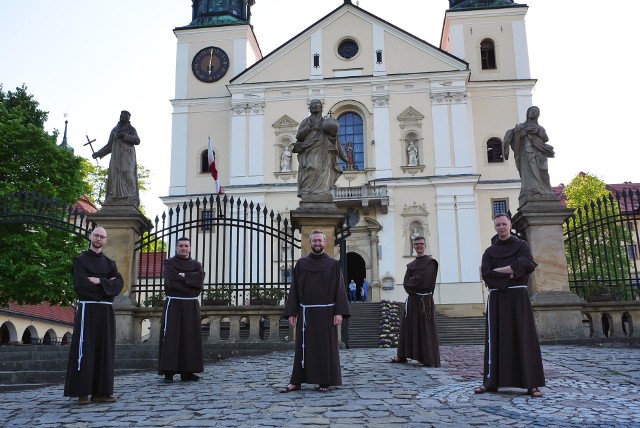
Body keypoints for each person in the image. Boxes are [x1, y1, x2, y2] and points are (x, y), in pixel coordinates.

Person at [474, 213, 545, 398]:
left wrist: (502, 271)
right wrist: (513, 271)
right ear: (495, 227)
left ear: (510, 224)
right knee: (496, 340)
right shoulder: (489, 252)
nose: (501, 227)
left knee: (524, 337)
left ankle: (531, 384)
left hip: (518, 298)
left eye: (504, 224)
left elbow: (526, 264)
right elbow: (487, 275)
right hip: (498, 299)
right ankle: (491, 382)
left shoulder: (522, 245)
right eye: (498, 225)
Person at [280, 230, 350, 393]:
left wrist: (339, 312)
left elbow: (339, 289)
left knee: (325, 347)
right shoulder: (301, 264)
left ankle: (324, 381)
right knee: (303, 348)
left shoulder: (333, 264)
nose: (317, 243)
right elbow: (295, 289)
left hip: (326, 313)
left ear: (325, 243)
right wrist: (292, 312)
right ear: (309, 243)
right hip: (306, 313)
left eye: (320, 241)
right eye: (314, 241)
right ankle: (296, 381)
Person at [64, 227, 124, 405]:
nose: (99, 239)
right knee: (86, 348)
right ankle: (83, 392)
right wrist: (107, 287)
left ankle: (102, 392)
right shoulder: (80, 260)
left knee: (105, 350)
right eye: (96, 235)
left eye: (102, 237)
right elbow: (82, 286)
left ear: (106, 240)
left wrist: (99, 281)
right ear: (91, 237)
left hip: (105, 311)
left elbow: (119, 285)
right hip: (88, 310)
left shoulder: (110, 263)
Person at [158, 237, 205, 382]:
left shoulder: (196, 264)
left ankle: (188, 371)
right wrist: (191, 280)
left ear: (190, 248)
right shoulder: (170, 263)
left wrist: (183, 276)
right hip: (174, 305)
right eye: (181, 246)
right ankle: (169, 372)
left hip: (191, 305)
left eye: (186, 246)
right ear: (176, 248)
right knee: (171, 337)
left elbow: (200, 281)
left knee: (190, 337)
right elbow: (171, 281)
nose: (184, 248)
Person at [390, 235, 440, 367]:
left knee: (425, 328)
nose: (419, 246)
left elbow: (425, 280)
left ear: (425, 245)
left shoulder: (431, 263)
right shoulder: (411, 265)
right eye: (416, 244)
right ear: (413, 246)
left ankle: (427, 358)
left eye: (421, 244)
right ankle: (403, 355)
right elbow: (406, 284)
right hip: (412, 300)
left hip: (425, 300)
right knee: (408, 326)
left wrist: (414, 281)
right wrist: (414, 282)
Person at [292, 99, 348, 202]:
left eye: (317, 105)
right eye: (313, 105)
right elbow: (299, 136)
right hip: (308, 148)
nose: (315, 106)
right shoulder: (306, 121)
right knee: (311, 167)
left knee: (323, 170)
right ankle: (307, 192)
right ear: (310, 108)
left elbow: (333, 139)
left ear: (321, 108)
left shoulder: (325, 122)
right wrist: (308, 127)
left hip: (323, 149)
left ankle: (322, 192)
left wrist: (332, 134)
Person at [503, 106, 556, 205]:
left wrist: (538, 131)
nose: (534, 112)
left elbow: (546, 138)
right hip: (527, 152)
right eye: (532, 111)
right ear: (527, 113)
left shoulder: (540, 128)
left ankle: (546, 190)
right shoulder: (522, 126)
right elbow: (516, 140)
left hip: (540, 152)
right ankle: (533, 189)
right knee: (530, 171)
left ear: (538, 115)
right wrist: (519, 133)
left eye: (536, 111)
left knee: (543, 171)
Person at [93, 110, 141, 206]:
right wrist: (98, 153)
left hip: (127, 155)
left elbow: (137, 140)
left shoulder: (131, 129)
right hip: (116, 156)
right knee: (114, 174)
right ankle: (114, 196)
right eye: (121, 115)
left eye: (125, 115)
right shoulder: (114, 129)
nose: (122, 116)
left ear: (128, 117)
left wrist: (125, 136)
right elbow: (109, 145)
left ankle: (131, 196)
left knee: (127, 172)